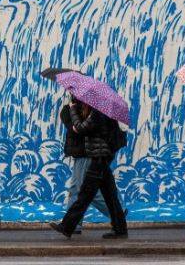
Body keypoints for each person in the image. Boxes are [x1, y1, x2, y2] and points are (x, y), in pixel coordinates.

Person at [51, 101, 128, 239]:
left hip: (98, 158)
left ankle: (67, 226)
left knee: (85, 194)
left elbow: (79, 128)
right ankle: (120, 228)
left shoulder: (97, 113)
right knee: (109, 195)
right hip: (101, 157)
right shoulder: (100, 112)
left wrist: (72, 109)